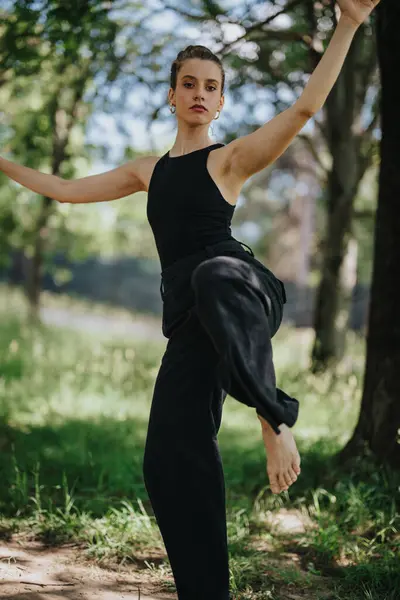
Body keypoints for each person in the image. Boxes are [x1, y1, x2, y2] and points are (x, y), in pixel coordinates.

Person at [0, 1, 380, 598]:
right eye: (189, 84)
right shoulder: (148, 171)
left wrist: (350, 23)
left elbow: (306, 107)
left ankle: (274, 415)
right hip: (192, 323)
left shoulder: (229, 160)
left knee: (212, 277)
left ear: (221, 103)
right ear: (172, 96)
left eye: (212, 87)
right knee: (167, 460)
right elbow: (64, 190)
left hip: (242, 290)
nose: (200, 94)